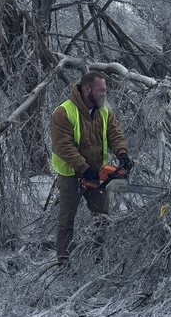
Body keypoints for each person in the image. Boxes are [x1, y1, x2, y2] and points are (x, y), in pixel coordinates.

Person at [50, 70, 132, 262]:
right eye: (101, 90)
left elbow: (115, 134)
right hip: (72, 175)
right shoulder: (64, 112)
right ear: (88, 89)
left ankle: (98, 259)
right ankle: (63, 262)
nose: (104, 94)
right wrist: (85, 169)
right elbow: (64, 146)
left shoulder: (104, 111)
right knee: (66, 222)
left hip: (98, 174)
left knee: (102, 219)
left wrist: (123, 154)